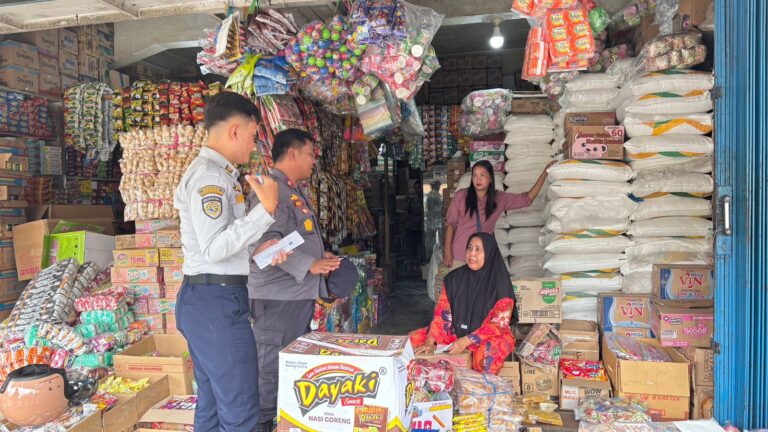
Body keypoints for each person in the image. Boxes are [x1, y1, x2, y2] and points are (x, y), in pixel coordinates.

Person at [174, 92, 288, 432]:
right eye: (253, 136)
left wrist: (259, 247)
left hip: (210, 299)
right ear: (235, 131)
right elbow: (213, 248)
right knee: (240, 411)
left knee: (213, 406)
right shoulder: (209, 177)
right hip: (215, 303)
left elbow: (224, 242)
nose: (254, 146)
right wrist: (266, 210)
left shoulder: (219, 174)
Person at [247, 128, 341, 432]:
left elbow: (293, 238)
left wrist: (319, 254)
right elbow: (264, 246)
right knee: (272, 368)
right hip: (276, 299)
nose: (314, 161)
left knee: (290, 364)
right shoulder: (269, 191)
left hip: (294, 296)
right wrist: (309, 263)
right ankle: (263, 423)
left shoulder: (291, 190)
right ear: (292, 153)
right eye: (310, 154)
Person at [410, 232, 517, 374]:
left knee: (486, 357)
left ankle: (479, 386)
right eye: (469, 248)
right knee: (412, 341)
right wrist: (429, 343)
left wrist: (466, 341)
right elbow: (442, 315)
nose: (472, 254)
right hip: (456, 333)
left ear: (489, 253)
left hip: (489, 336)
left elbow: (498, 325)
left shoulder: (500, 284)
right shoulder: (453, 279)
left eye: (478, 250)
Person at [443, 160, 554, 268]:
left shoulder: (499, 198)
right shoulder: (461, 196)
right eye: (475, 175)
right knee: (459, 281)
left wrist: (544, 175)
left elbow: (526, 199)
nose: (478, 179)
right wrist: (447, 250)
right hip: (460, 255)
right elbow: (450, 223)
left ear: (491, 178)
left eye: (482, 175)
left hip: (483, 257)